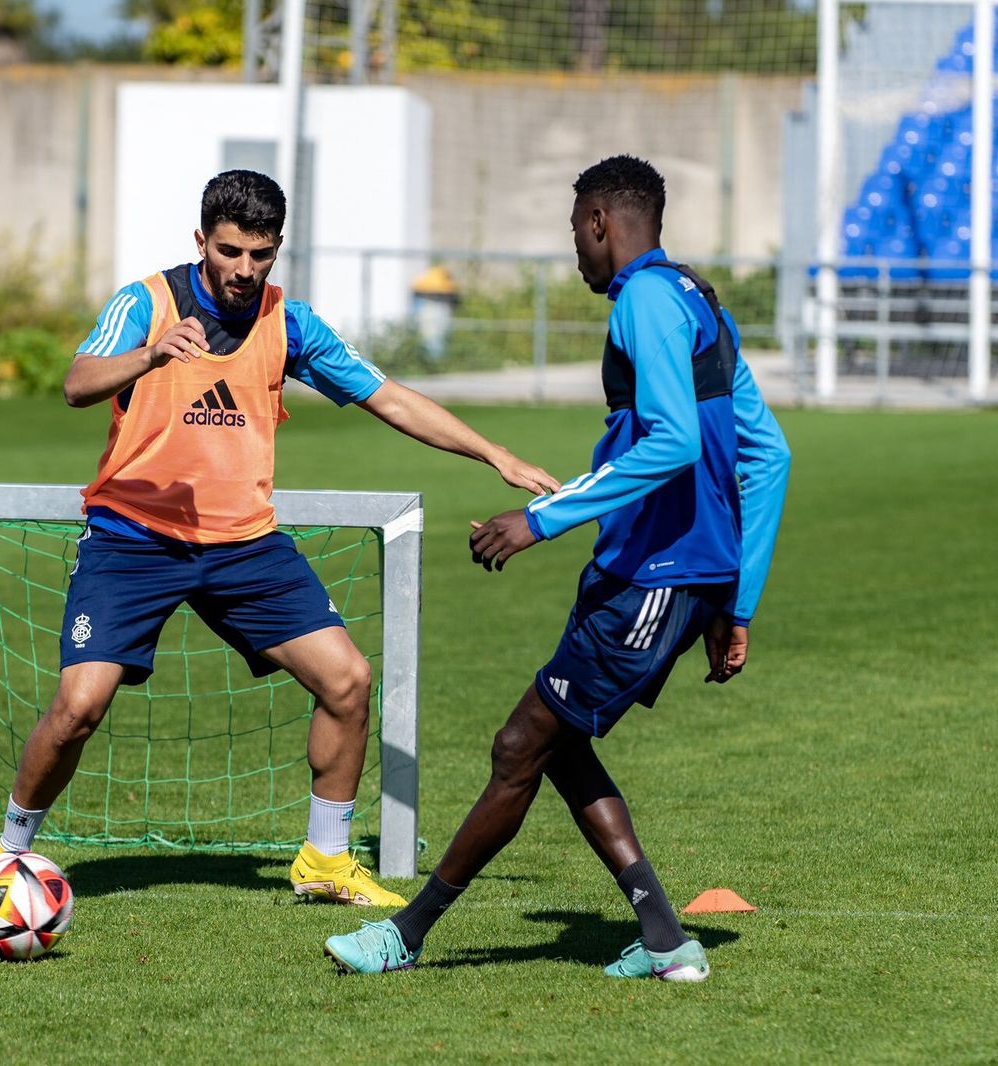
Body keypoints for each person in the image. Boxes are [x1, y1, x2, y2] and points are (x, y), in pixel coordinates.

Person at [0, 169, 562, 908]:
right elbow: (77, 382)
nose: (243, 270)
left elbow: (386, 395)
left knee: (348, 682)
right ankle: (8, 858)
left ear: (276, 250)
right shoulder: (146, 301)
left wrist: (496, 455)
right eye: (230, 251)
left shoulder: (288, 321)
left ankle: (325, 862)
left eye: (260, 255)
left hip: (243, 545)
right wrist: (150, 354)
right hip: (133, 538)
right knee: (79, 706)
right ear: (201, 239)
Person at [323, 155, 791, 980]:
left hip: (656, 576)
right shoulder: (698, 298)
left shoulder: (645, 298)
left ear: (602, 222)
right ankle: (663, 939)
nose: (575, 247)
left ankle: (407, 934)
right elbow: (769, 454)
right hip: (665, 574)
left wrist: (539, 517)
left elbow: (676, 442)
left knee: (519, 745)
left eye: (577, 228)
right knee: (559, 744)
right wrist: (737, 602)